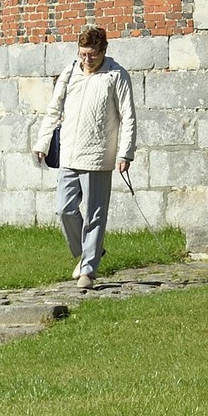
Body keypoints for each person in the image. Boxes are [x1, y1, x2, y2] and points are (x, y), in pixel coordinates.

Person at [33, 23, 138, 291]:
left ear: (103, 50)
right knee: (64, 209)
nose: (86, 59)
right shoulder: (70, 73)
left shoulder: (116, 76)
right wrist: (42, 143)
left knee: (94, 215)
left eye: (91, 54)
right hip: (70, 153)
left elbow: (128, 117)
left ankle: (88, 271)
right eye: (82, 54)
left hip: (99, 156)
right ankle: (91, 250)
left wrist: (125, 153)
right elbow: (54, 109)